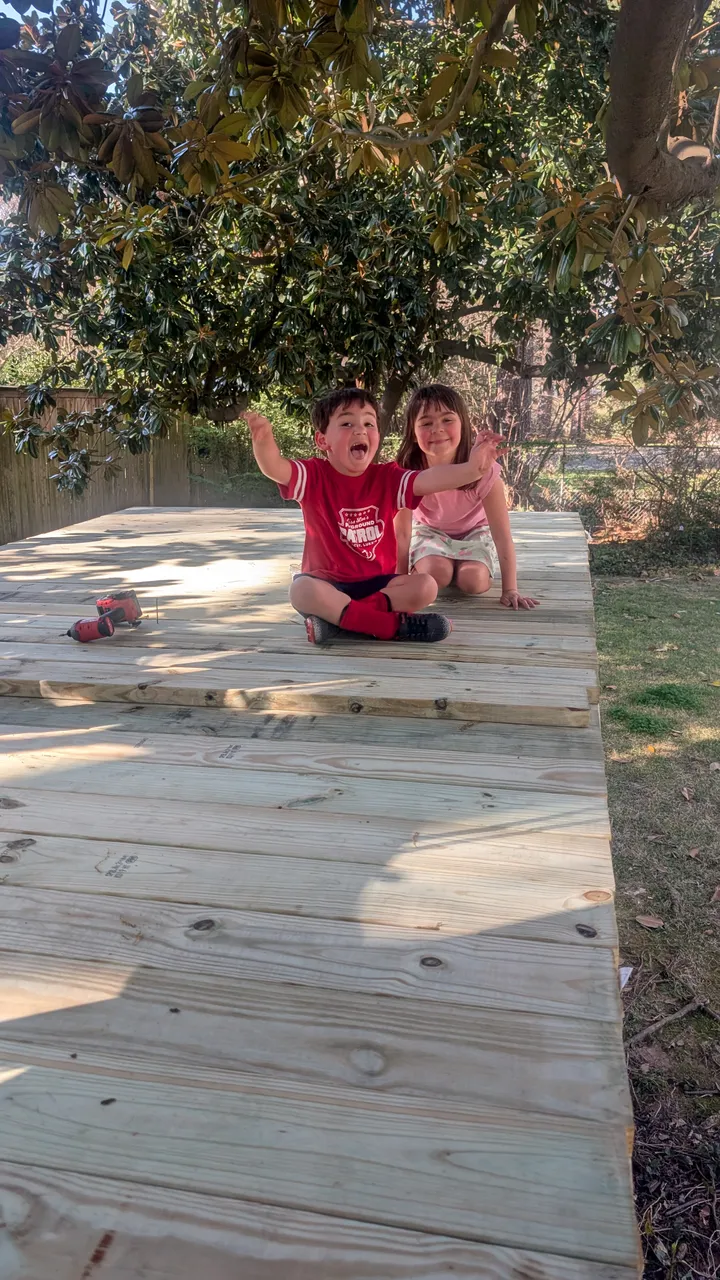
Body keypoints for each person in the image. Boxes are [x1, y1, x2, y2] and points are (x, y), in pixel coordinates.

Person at [244, 387, 502, 644]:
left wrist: (473, 469)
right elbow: (276, 468)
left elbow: (431, 479)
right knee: (300, 590)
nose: (360, 430)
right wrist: (263, 441)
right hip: (328, 585)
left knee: (426, 586)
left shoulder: (388, 478)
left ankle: (340, 623)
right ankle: (389, 626)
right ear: (323, 441)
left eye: (369, 423)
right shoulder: (313, 476)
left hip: (379, 586)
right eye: (347, 423)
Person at [395, 384, 539, 610]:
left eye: (447, 420)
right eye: (426, 423)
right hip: (429, 532)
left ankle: (462, 566)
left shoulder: (484, 469)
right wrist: (398, 579)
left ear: (463, 425)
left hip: (474, 533)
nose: (437, 429)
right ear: (412, 433)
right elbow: (402, 532)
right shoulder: (406, 471)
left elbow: (501, 535)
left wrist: (510, 589)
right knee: (436, 573)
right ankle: (441, 565)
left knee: (474, 581)